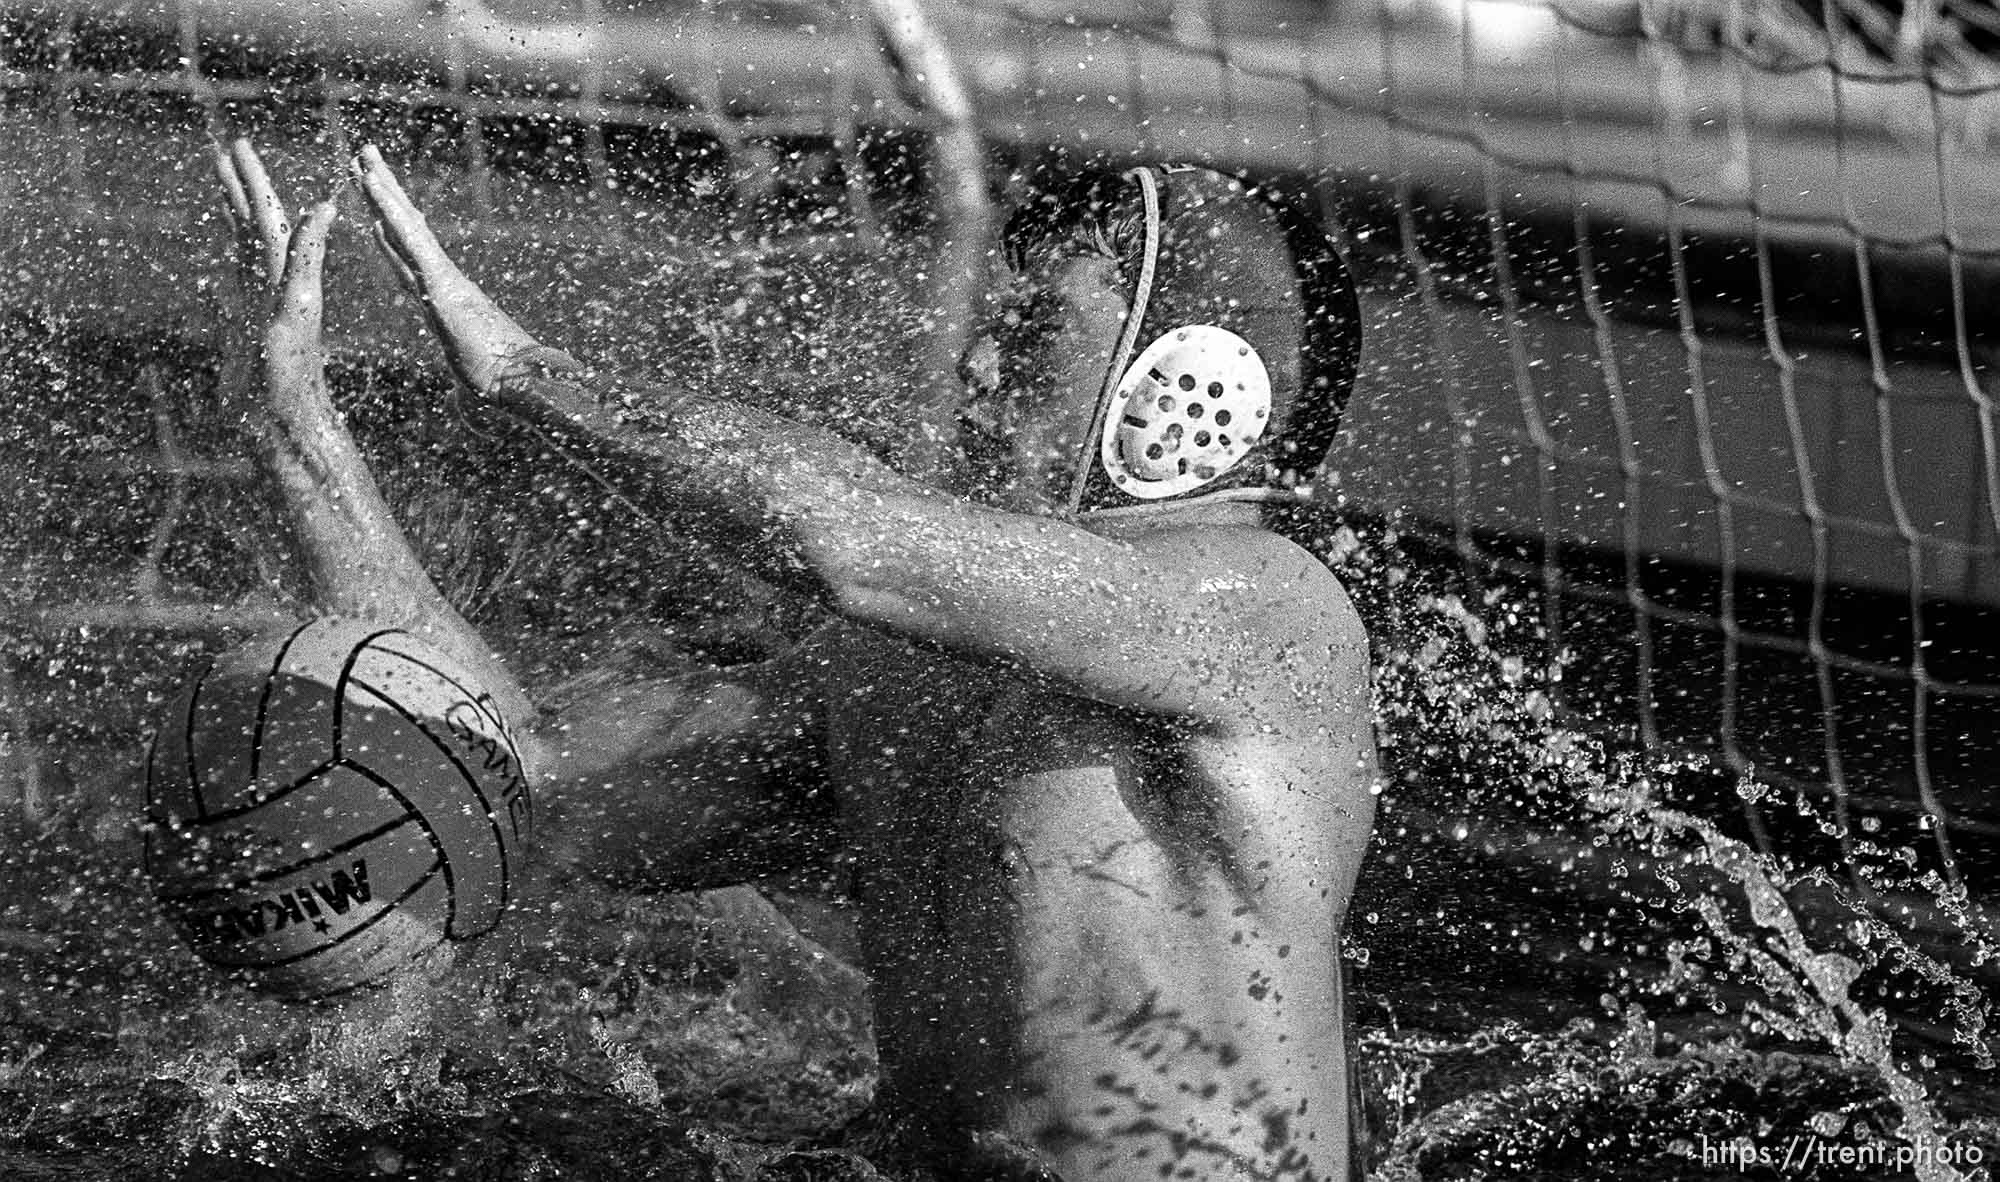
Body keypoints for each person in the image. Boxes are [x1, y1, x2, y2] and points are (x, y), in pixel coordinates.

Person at [253, 142, 1380, 1181]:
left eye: (1032, 327)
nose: (978, 364)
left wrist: (525, 374)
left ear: (1189, 392)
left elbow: (844, 532)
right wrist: (299, 433)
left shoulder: (1265, 616)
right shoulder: (896, 670)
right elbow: (502, 789)